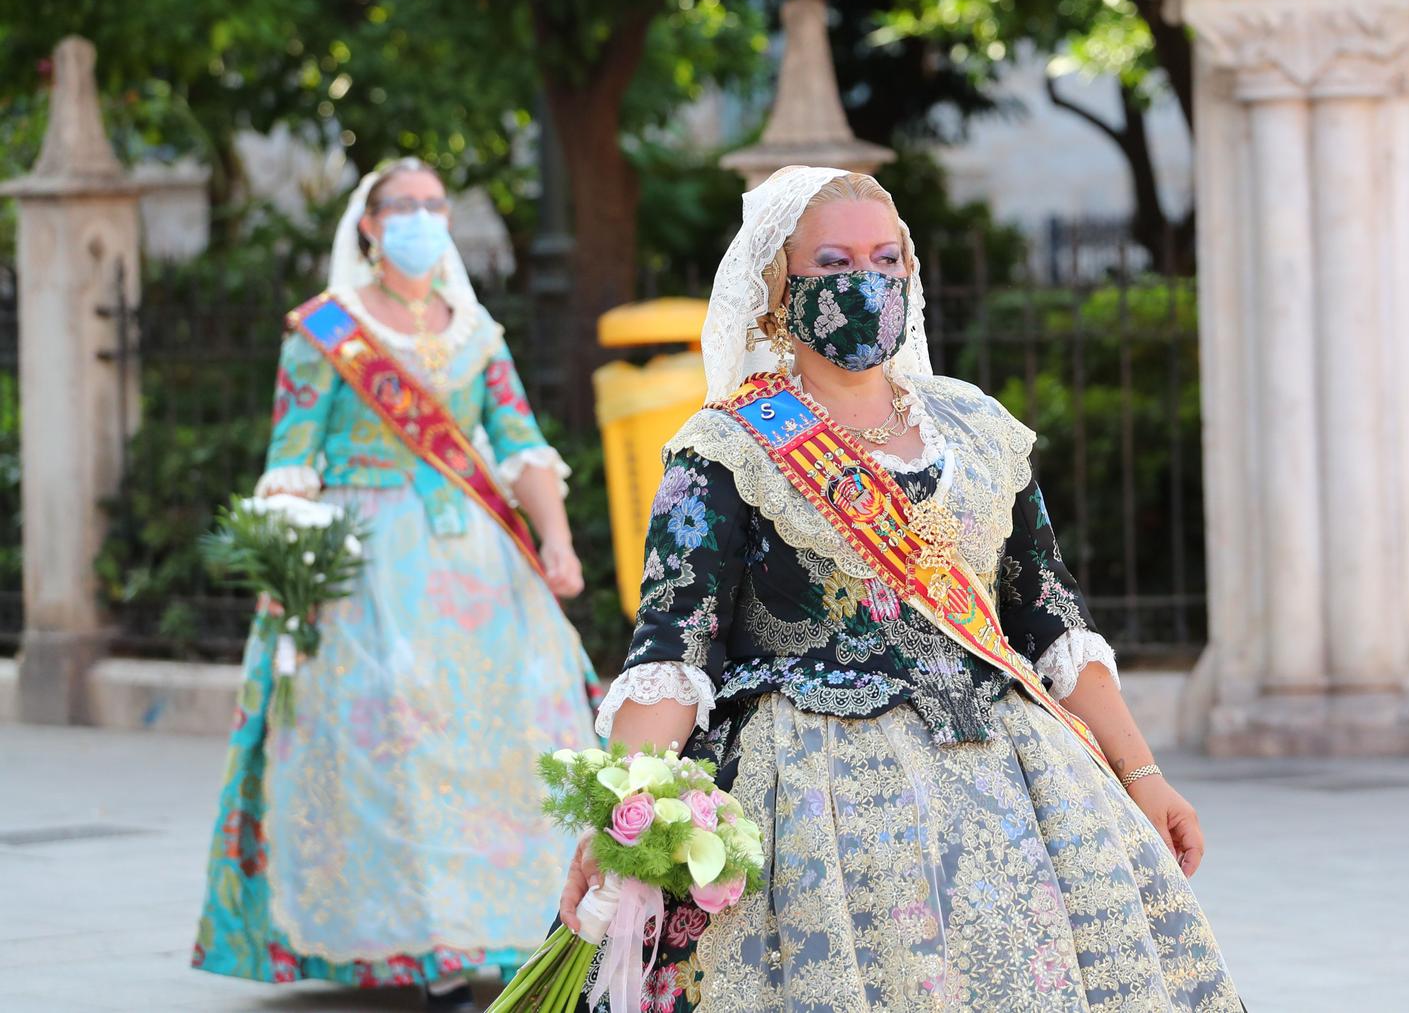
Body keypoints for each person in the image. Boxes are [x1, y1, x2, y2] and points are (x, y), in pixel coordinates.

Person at [562, 166, 1240, 1011]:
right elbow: (673, 650)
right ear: (778, 286)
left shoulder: (977, 427)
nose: (867, 281)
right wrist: (626, 810)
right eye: (835, 260)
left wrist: (1144, 775)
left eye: (888, 259)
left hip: (1014, 786)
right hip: (815, 810)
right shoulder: (727, 448)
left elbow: (1053, 620)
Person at [192, 159, 597, 1009]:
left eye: (432, 205)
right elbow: (291, 463)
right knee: (395, 743)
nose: (420, 218)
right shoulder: (325, 332)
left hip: (479, 568)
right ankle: (424, 939)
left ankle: (519, 925)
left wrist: (556, 543)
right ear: (368, 224)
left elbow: (520, 444)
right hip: (365, 563)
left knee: (509, 741)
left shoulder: (475, 333)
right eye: (401, 206)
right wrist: (290, 573)